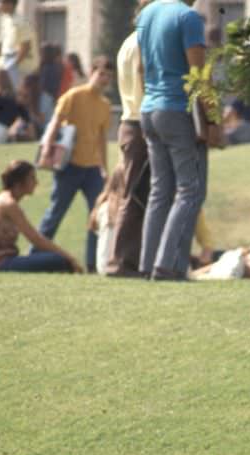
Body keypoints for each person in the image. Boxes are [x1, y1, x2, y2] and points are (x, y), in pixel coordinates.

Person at [136, 0, 211, 281]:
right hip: (177, 110)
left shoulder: (146, 14)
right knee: (190, 190)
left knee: (160, 191)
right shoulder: (188, 17)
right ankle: (168, 265)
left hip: (149, 109)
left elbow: (141, 69)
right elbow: (198, 77)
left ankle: (148, 263)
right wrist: (211, 120)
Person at [35, 56, 113, 272]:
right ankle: (35, 255)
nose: (104, 79)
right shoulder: (74, 96)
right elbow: (55, 123)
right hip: (69, 167)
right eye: (101, 74)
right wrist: (46, 150)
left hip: (92, 170)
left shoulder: (105, 106)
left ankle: (93, 263)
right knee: (56, 211)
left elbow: (101, 139)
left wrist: (104, 168)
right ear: (91, 72)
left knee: (96, 216)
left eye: (108, 76)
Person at [106, 8, 150, 278]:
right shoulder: (143, 43)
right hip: (140, 121)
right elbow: (144, 81)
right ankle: (121, 262)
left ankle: (129, 260)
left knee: (136, 194)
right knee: (134, 196)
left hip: (130, 121)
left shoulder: (128, 41)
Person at [0, 159, 81, 271]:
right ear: (19, 182)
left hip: (7, 260)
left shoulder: (5, 199)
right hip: (2, 262)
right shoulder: (9, 204)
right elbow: (36, 239)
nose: (36, 182)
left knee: (56, 259)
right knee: (59, 260)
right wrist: (70, 257)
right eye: (32, 178)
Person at [0, 0, 38, 89]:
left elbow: (26, 47)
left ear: (10, 4)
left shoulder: (21, 22)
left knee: (15, 95)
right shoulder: (6, 20)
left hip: (19, 67)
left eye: (2, 2)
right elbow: (1, 44)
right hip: (6, 62)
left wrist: (12, 66)